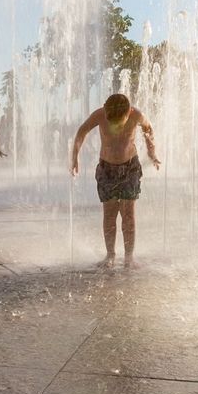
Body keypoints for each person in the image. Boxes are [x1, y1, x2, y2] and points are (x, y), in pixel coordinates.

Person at [70, 93, 160, 268]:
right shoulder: (100, 114)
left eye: (120, 121)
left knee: (128, 214)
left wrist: (151, 152)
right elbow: (82, 131)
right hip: (107, 169)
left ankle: (129, 257)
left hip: (130, 168)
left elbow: (148, 129)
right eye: (112, 121)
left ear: (129, 111)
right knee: (109, 214)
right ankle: (110, 255)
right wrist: (75, 156)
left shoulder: (136, 115)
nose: (116, 125)